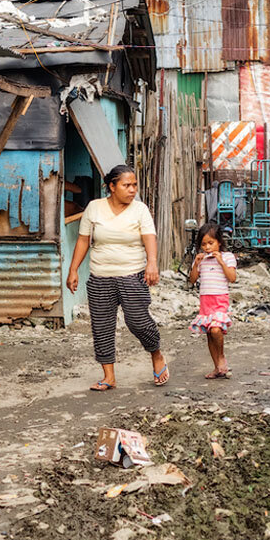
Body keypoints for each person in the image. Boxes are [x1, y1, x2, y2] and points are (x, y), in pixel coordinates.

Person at [66, 164, 169, 390]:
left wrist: (152, 262)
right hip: (100, 275)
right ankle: (108, 376)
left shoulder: (140, 210)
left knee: (138, 322)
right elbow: (83, 240)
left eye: (134, 185)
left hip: (133, 275)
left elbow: (149, 237)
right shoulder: (94, 208)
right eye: (126, 185)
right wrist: (73, 269)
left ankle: (156, 353)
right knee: (102, 327)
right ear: (111, 187)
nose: (132, 189)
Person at [187, 223, 237, 379]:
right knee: (209, 333)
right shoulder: (201, 260)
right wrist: (196, 264)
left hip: (219, 299)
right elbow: (192, 280)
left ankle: (221, 357)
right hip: (205, 301)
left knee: (216, 330)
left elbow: (232, 278)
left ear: (219, 242)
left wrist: (221, 261)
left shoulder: (228, 257)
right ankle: (217, 368)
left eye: (211, 243)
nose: (207, 248)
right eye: (203, 244)